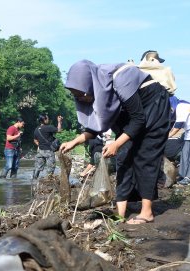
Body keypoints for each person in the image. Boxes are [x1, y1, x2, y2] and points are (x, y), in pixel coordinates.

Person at [60, 60, 170, 224]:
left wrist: (116, 143)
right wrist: (74, 142)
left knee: (145, 157)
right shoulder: (101, 90)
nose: (81, 99)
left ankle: (147, 212)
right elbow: (99, 124)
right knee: (123, 158)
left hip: (153, 107)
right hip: (130, 115)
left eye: (81, 94)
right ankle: (120, 212)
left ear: (90, 85)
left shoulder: (119, 80)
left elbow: (139, 119)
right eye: (75, 96)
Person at [32, 114, 63, 178]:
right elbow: (59, 130)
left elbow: (35, 140)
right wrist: (59, 121)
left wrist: (40, 145)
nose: (48, 120)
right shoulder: (49, 127)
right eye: (47, 119)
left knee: (37, 168)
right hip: (49, 151)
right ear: (44, 120)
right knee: (50, 169)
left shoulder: (36, 129)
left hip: (40, 151)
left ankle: (33, 181)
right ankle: (48, 183)